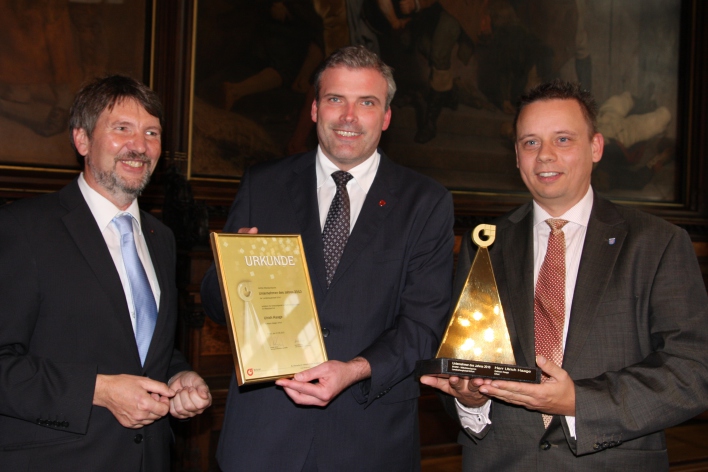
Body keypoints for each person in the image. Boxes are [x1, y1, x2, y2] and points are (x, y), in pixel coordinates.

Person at [420, 79, 708, 470]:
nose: (544, 157)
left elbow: (693, 371)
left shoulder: (658, 244)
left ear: (596, 147)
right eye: (530, 142)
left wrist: (578, 402)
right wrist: (471, 399)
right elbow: (465, 362)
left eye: (563, 140)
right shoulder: (484, 243)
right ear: (517, 157)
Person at [201, 45, 455, 471]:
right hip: (264, 439)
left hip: (369, 440)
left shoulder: (425, 203)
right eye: (336, 99)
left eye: (366, 103)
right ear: (316, 109)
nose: (349, 117)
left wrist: (354, 369)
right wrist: (228, 273)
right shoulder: (263, 185)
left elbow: (424, 327)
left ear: (386, 117)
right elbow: (214, 302)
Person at [0, 75, 212, 471]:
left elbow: (142, 347)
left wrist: (181, 377)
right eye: (121, 129)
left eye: (152, 132)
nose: (140, 145)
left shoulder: (161, 238)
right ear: (82, 140)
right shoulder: (22, 228)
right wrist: (98, 391)